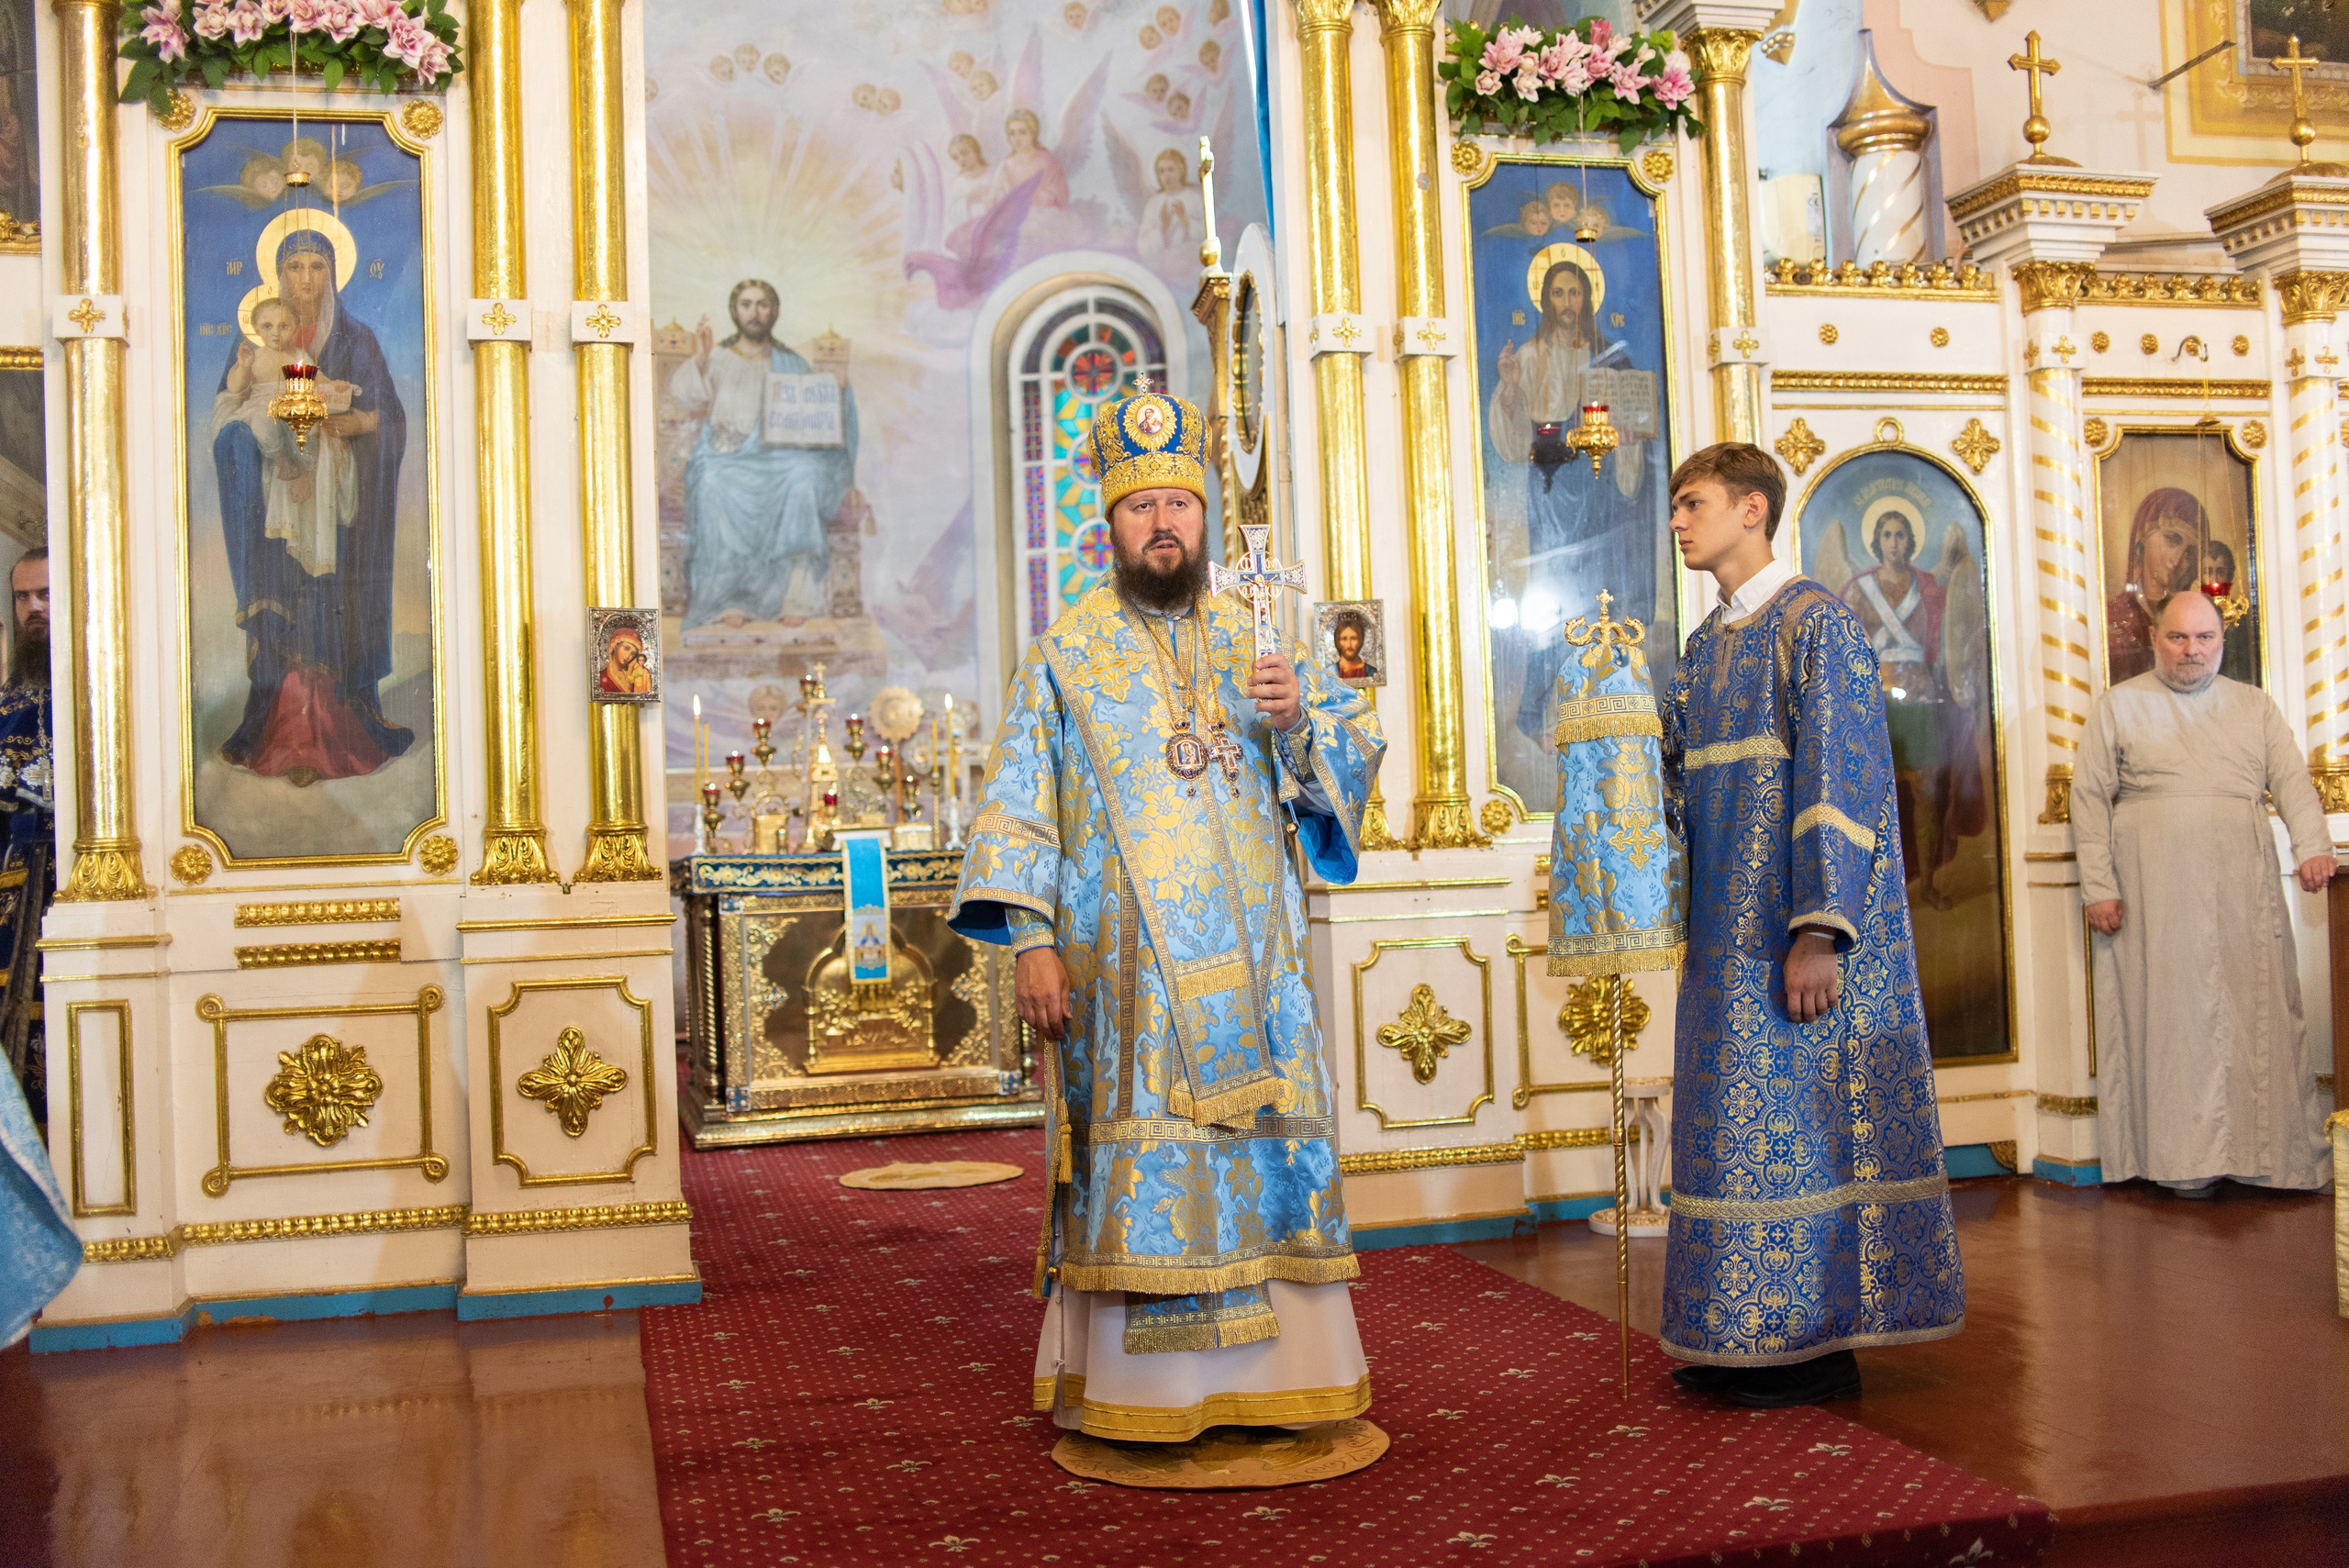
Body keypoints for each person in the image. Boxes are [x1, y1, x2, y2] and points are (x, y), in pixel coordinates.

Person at [950, 377, 1385, 1443]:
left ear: (1204, 518)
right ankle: (1149, 1397)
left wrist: (1299, 729)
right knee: (1142, 1156)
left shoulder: (1260, 641)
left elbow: (1341, 778)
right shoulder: (1066, 657)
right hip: (1124, 978)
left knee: (1262, 1153)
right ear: (1110, 522)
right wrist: (1034, 941)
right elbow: (1018, 804)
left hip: (1258, 968)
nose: (1162, 524)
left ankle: (1290, 1378)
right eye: (1140, 508)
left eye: (1178, 505)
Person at [1657, 442, 1965, 1407]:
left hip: (1793, 933)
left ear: (1753, 509)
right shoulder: (1705, 648)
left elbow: (1844, 778)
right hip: (1719, 941)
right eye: (1674, 505)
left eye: (1693, 501)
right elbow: (1669, 790)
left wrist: (1819, 928)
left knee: (1808, 1128)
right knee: (1729, 1130)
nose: (1677, 520)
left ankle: (1811, 1341)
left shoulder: (1816, 625)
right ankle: (1734, 1329)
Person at [2073, 591, 2335, 1196]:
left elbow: (2292, 782)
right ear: (2155, 638)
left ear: (2222, 640)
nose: (2191, 651)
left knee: (2253, 1014)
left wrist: (2313, 845)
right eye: (2178, 638)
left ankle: (2261, 1160)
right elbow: (2088, 800)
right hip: (2152, 895)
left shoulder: (2255, 707)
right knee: (2174, 1022)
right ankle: (2179, 1161)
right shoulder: (2119, 706)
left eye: (2204, 638)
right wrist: (2098, 886)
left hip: (2243, 889)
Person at [213, 228, 411, 784]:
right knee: (285, 609)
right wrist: (265, 450)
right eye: (294, 267)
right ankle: (281, 734)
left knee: (328, 604)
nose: (305, 279)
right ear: (278, 276)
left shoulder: (357, 340)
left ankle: (333, 736)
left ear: (332, 274)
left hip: (337, 510)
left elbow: (388, 418)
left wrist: (360, 422)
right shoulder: (252, 344)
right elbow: (228, 415)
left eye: (316, 267)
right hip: (274, 505)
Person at [670, 279, 859, 629]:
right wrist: (700, 357)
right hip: (727, 456)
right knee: (711, 481)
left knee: (804, 475)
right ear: (735, 311)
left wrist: (838, 391)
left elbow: (816, 419)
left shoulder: (791, 363)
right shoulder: (719, 358)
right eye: (746, 304)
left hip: (779, 459)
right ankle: (729, 598)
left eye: (762, 305)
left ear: (773, 311)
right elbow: (686, 395)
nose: (754, 313)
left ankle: (795, 597)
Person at [1835, 506, 1987, 907]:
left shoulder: (1930, 587)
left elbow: (1950, 635)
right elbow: (1843, 644)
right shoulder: (1857, 589)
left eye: (1901, 535)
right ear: (1876, 542)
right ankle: (1868, 893)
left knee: (1926, 796)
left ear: (1911, 542)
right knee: (1868, 797)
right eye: (1887, 535)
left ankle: (1928, 883)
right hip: (1873, 703)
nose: (1894, 542)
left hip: (1919, 703)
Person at [2106, 487, 2205, 685]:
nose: (2177, 561)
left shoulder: (2201, 621)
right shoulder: (2114, 618)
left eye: (2190, 552)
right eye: (2172, 540)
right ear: (2142, 540)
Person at [596, 626, 652, 695]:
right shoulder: (601, 677)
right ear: (614, 645)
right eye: (626, 648)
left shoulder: (635, 678)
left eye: (633, 654)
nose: (628, 656)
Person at [1329, 608, 1377, 683]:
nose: (1349, 645)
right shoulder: (1329, 673)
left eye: (1353, 638)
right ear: (1338, 642)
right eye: (1344, 639)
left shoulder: (1372, 673)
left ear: (1360, 641)